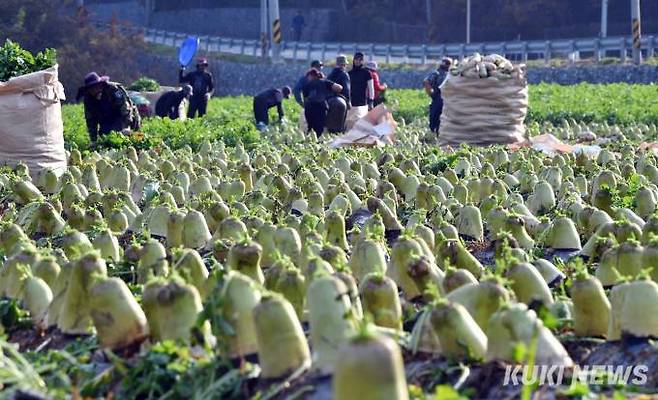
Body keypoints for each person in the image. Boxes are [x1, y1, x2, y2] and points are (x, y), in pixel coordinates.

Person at [76, 72, 140, 143]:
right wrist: (93, 140)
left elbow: (125, 109)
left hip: (124, 117)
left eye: (96, 86)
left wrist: (126, 127)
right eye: (91, 89)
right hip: (106, 122)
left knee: (129, 139)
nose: (94, 90)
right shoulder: (88, 99)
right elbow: (90, 120)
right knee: (107, 138)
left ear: (100, 84)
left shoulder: (113, 89)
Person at [302, 69, 342, 138]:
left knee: (310, 128)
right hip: (321, 108)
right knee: (319, 129)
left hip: (309, 108)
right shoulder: (324, 82)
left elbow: (305, 98)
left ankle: (309, 142)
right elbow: (339, 87)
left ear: (311, 76)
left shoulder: (307, 85)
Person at [423, 57, 452, 134]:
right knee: (437, 117)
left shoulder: (450, 74)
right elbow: (426, 82)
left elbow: (426, 82)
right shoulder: (437, 73)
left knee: (439, 118)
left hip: (446, 99)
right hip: (440, 98)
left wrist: (431, 93)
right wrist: (431, 93)